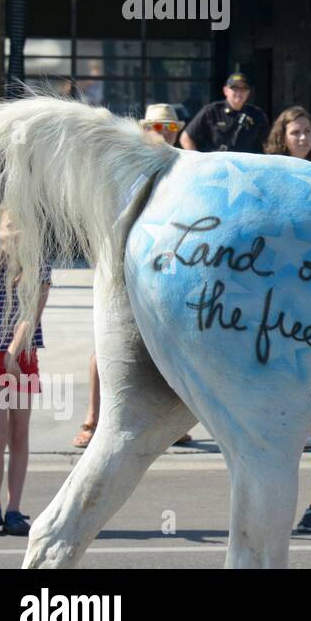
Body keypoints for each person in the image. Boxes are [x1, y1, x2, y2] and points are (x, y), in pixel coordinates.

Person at [74, 104, 194, 450]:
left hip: (167, 264)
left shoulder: (185, 167)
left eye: (170, 126)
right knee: (106, 345)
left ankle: (172, 424)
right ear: (146, 128)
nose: (164, 132)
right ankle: (93, 419)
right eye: (157, 125)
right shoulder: (127, 165)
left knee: (168, 346)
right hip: (122, 260)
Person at [0, 212, 50, 536]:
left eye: (19, 232)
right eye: (7, 231)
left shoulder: (38, 263)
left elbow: (32, 313)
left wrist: (13, 353)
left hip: (23, 358)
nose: (12, 238)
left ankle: (14, 509)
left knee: (20, 434)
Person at [179, 73, 270, 153]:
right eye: (235, 88)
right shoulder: (212, 111)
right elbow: (186, 138)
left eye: (244, 89)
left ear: (248, 92)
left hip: (246, 168)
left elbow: (268, 143)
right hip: (217, 166)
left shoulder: (256, 114)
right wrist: (198, 161)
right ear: (225, 91)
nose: (239, 92)